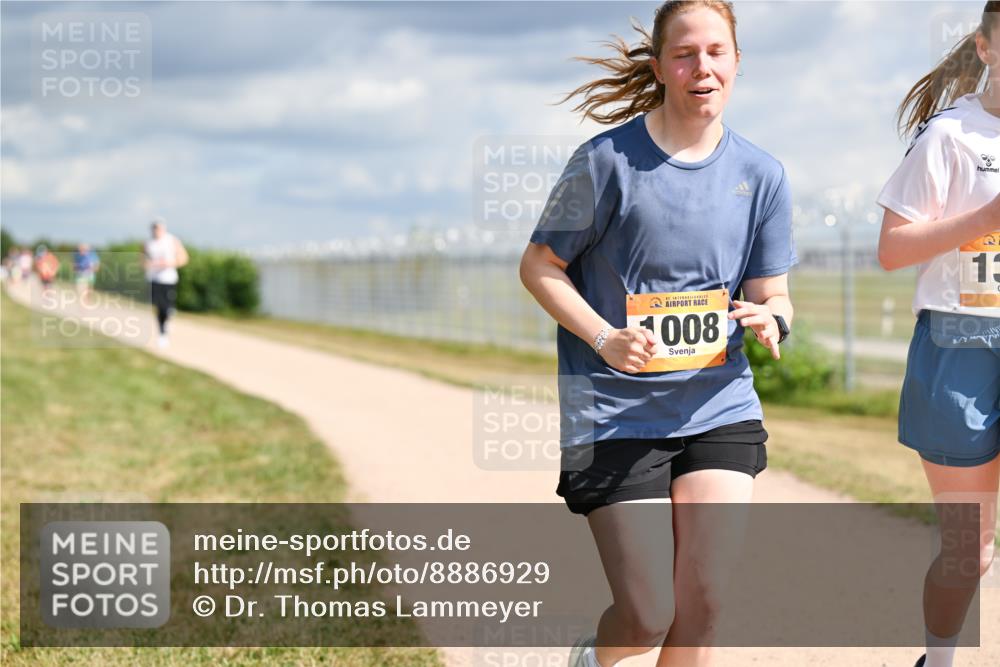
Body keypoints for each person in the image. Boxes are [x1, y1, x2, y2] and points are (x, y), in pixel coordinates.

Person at [518, 2, 795, 666]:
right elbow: (538, 266)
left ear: (736, 61)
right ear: (660, 67)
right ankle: (595, 656)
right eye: (685, 54)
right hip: (616, 414)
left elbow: (773, 291)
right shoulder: (605, 162)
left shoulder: (763, 175)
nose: (703, 67)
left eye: (717, 52)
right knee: (647, 614)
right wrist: (605, 335)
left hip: (718, 404)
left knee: (700, 608)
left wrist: (774, 317)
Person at [876, 4, 1000, 667]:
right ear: (985, 47)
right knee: (969, 548)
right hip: (961, 348)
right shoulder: (948, 137)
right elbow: (892, 249)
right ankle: (939, 662)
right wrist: (986, 215)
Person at [143, 218, 189, 349]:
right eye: (154, 228)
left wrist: (169, 263)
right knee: (158, 305)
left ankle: (167, 320)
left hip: (168, 278)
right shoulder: (148, 243)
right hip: (153, 278)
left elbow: (184, 258)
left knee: (167, 307)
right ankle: (162, 332)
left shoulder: (172, 240)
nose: (157, 231)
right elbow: (142, 259)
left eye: (159, 228)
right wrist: (148, 264)